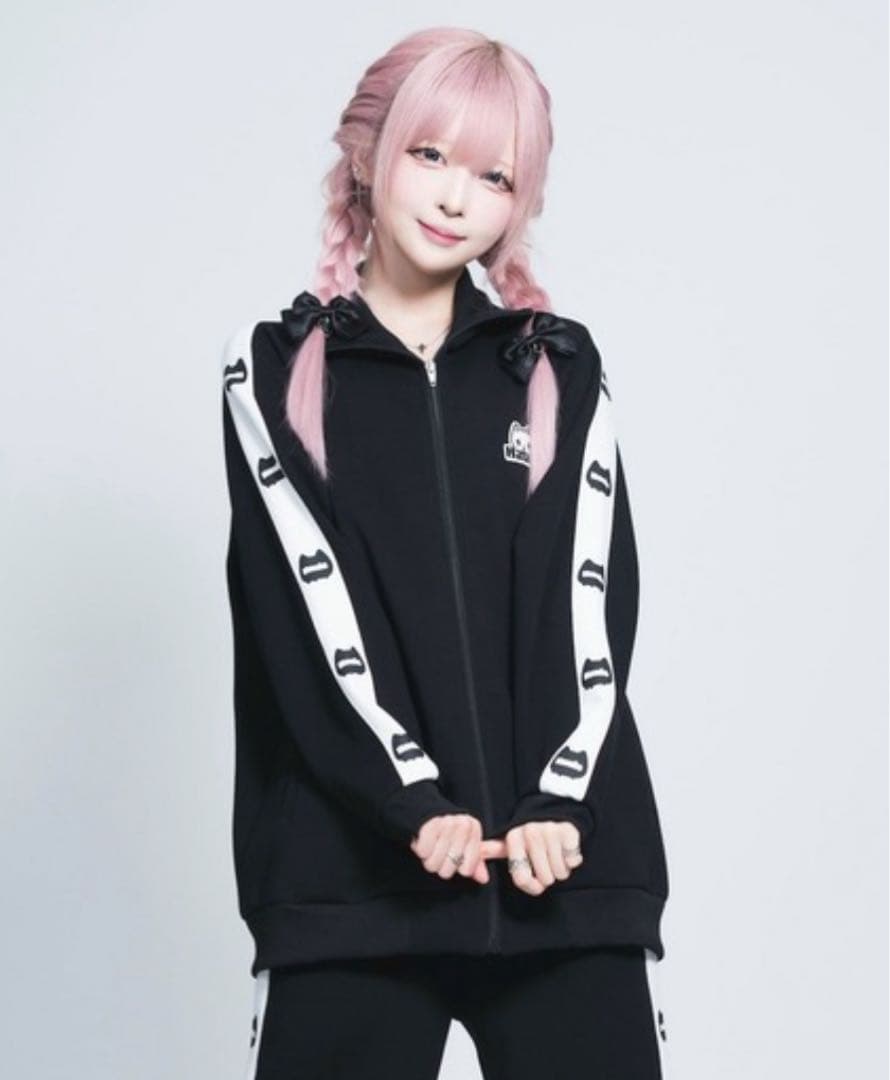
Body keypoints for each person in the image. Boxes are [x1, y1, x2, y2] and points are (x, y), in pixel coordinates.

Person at [221, 26, 670, 1080]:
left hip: (560, 880)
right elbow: (302, 607)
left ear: (520, 201)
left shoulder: (555, 369)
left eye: (493, 176)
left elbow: (589, 598)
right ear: (367, 151)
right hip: (351, 894)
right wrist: (410, 800)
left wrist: (561, 798)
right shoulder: (272, 372)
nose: (455, 197)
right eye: (430, 155)